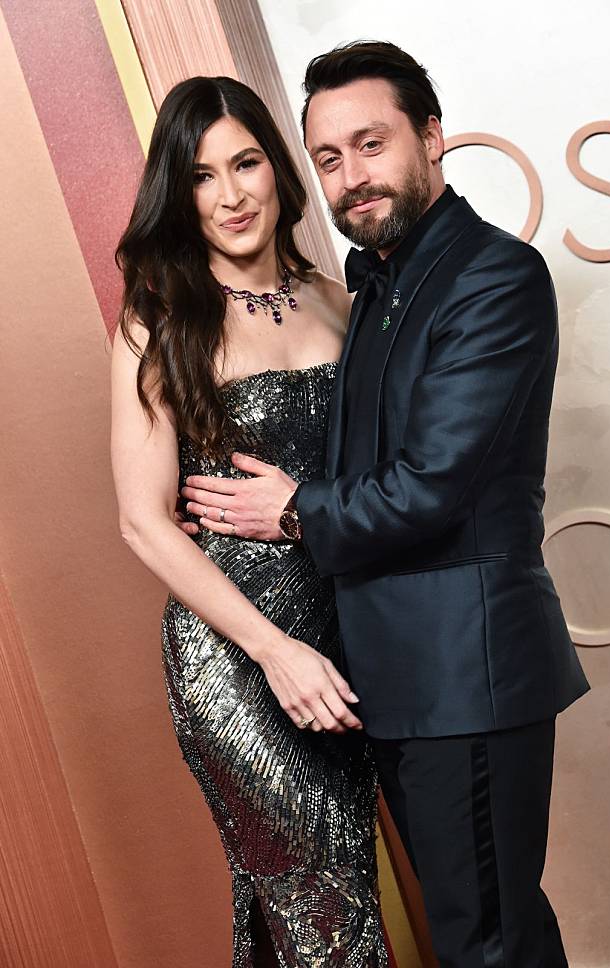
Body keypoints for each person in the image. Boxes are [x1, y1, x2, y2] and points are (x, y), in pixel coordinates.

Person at [182, 43, 591, 967]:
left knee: (484, 942)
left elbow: (432, 484)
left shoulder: (494, 278)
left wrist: (290, 512)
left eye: (371, 144)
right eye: (328, 158)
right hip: (403, 679)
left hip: (465, 673)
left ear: (433, 138)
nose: (350, 176)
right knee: (494, 932)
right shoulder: (375, 283)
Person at [110, 74, 389, 967]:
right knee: (327, 915)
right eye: (200, 176)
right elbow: (142, 523)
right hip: (234, 658)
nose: (229, 195)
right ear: (176, 193)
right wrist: (274, 651)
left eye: (246, 163)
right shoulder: (159, 322)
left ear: (281, 169)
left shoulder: (339, 297)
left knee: (308, 905)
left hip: (349, 638)